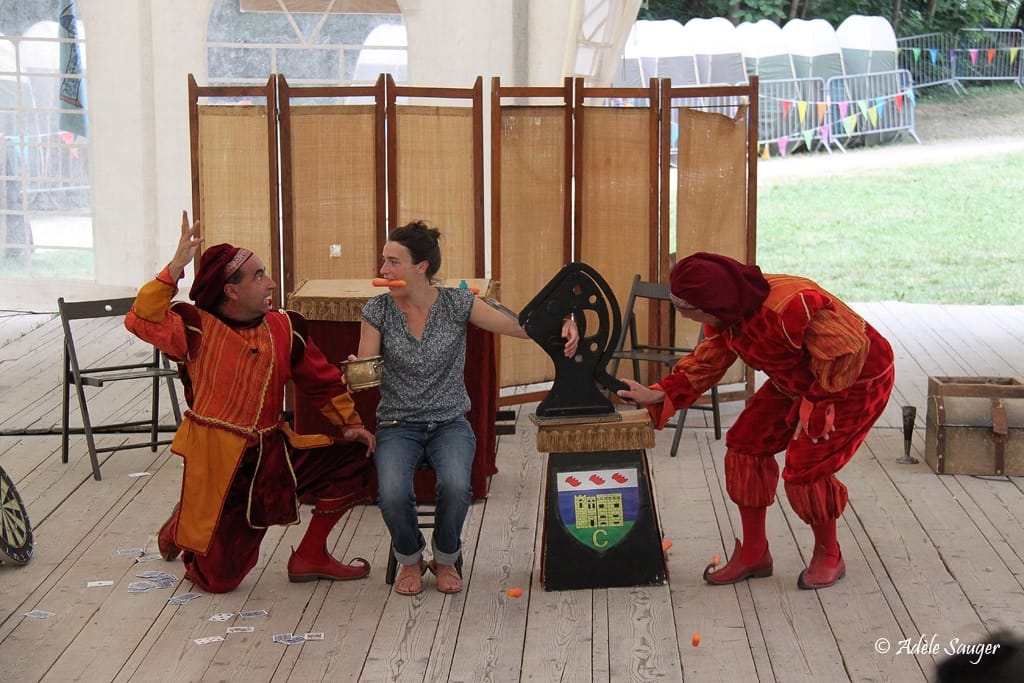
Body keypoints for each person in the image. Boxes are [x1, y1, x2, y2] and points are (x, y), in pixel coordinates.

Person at [124, 211, 377, 593]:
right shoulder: (193, 330)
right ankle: (185, 523)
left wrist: (350, 424)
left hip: (273, 453)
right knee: (218, 581)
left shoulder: (282, 327)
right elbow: (141, 319)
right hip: (220, 464)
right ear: (231, 290)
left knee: (358, 459)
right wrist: (176, 266)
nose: (271, 282)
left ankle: (310, 554)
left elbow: (321, 380)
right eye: (258, 276)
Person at [617, 252, 894, 589]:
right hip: (796, 379)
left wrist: (819, 402)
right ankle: (754, 552)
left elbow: (849, 349)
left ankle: (829, 554)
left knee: (806, 466)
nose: (687, 317)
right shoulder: (729, 315)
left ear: (712, 303)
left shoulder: (791, 307)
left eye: (688, 310)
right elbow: (709, 361)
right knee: (746, 446)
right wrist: (657, 393)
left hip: (854, 381)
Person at [355, 221, 579, 595]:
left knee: (459, 485)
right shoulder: (376, 310)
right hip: (397, 422)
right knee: (392, 493)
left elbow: (521, 327)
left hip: (449, 422)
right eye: (383, 261)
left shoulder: (458, 303)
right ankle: (410, 559)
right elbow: (365, 367)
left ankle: (445, 557)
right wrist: (356, 369)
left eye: (393, 262)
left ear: (421, 267)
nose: (383, 270)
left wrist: (567, 321)